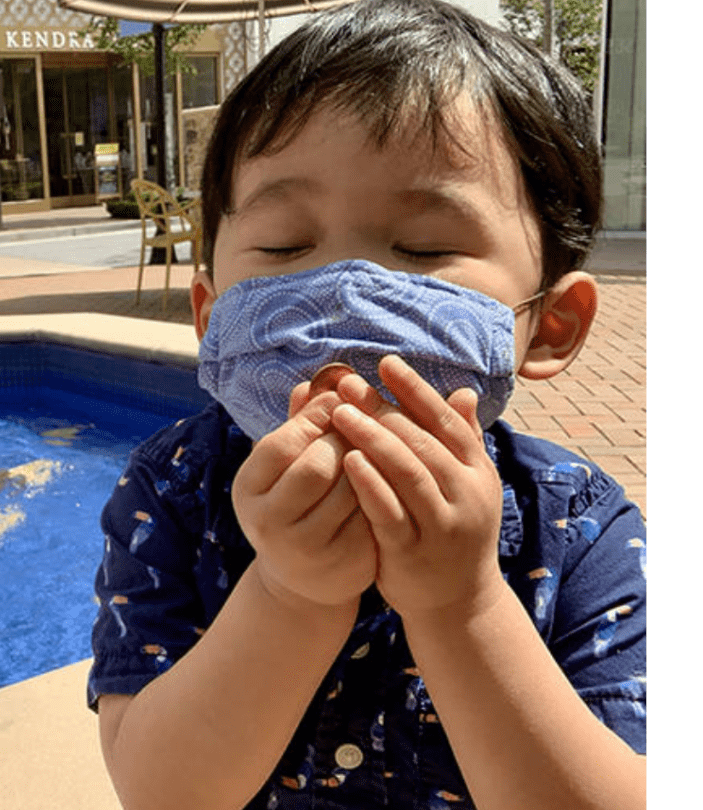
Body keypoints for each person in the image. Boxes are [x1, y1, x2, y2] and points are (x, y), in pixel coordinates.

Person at [86, 2, 647, 809]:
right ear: (212, 319)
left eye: (422, 248)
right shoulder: (170, 495)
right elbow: (160, 792)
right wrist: (289, 595)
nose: (345, 288)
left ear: (548, 326)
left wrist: (464, 606)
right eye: (283, 245)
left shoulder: (584, 531)